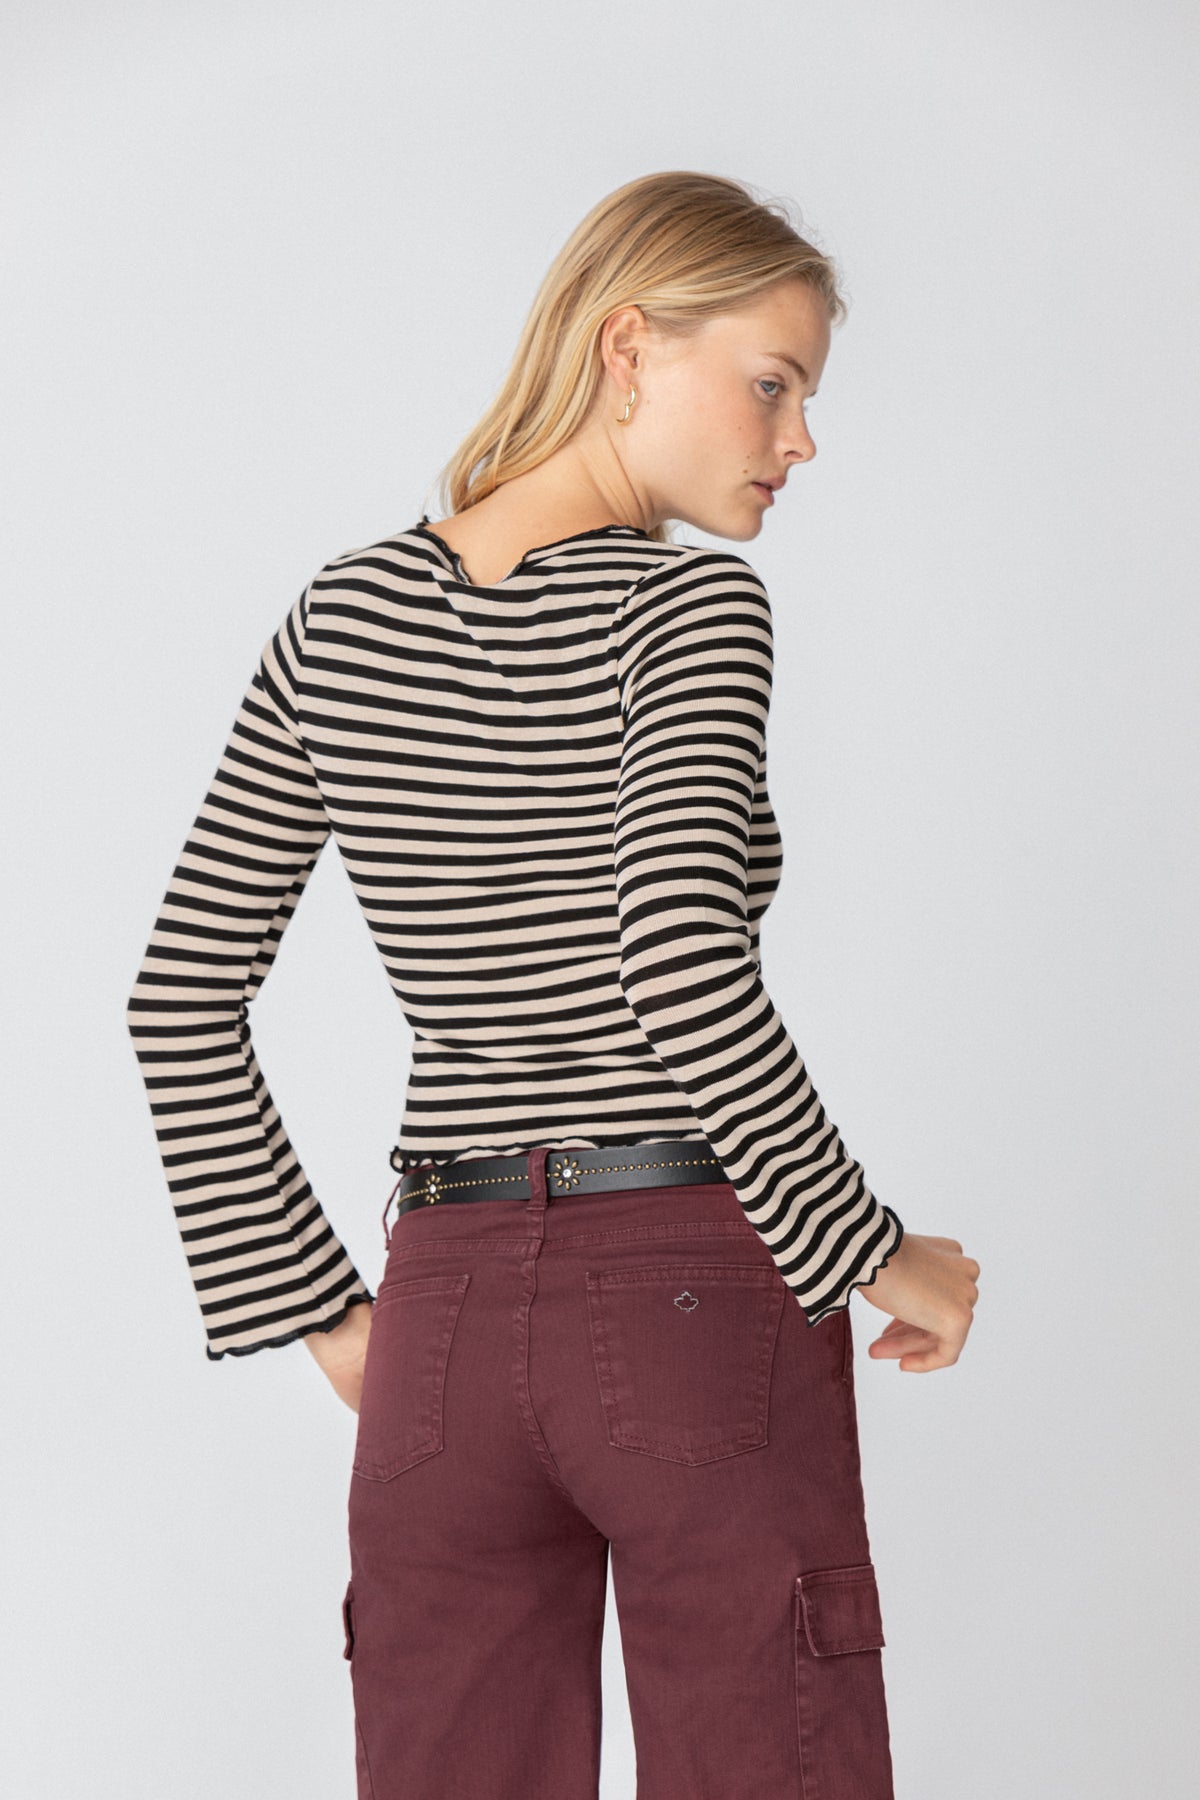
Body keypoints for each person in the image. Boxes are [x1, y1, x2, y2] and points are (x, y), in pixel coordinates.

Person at [126, 169, 980, 1800]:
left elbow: (178, 998)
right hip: (691, 1292)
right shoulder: (690, 607)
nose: (799, 440)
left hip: (440, 1311)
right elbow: (681, 958)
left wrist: (322, 1313)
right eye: (773, 384)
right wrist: (877, 1253)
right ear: (627, 345)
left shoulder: (338, 619)